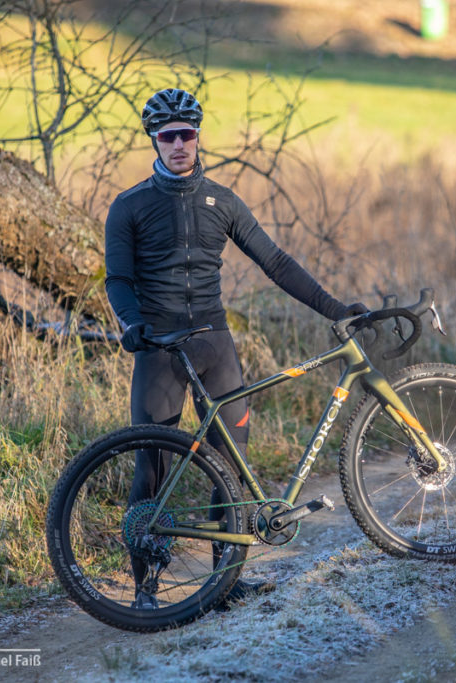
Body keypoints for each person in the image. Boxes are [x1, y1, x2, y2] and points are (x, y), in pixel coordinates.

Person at [104, 88, 367, 610]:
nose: (179, 144)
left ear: (199, 137)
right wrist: (132, 324)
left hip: (214, 343)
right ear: (153, 141)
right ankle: (145, 591)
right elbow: (118, 280)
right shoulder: (129, 206)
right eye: (168, 136)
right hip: (159, 346)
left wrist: (336, 309)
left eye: (188, 134)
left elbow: (276, 262)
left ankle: (225, 582)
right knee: (152, 465)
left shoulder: (222, 201)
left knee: (231, 464)